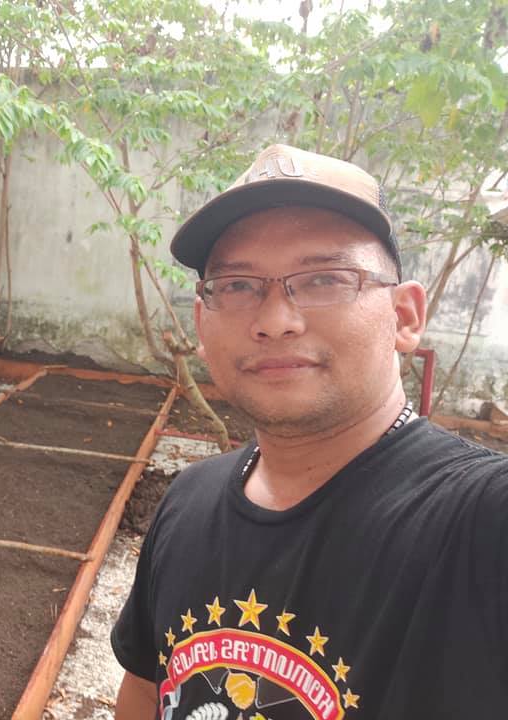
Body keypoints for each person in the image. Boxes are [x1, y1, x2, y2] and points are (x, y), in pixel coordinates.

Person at [111, 144, 508, 719]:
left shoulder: (479, 522)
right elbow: (147, 690)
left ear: (404, 316)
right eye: (238, 285)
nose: (275, 321)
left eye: (325, 278)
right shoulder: (188, 499)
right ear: (201, 322)